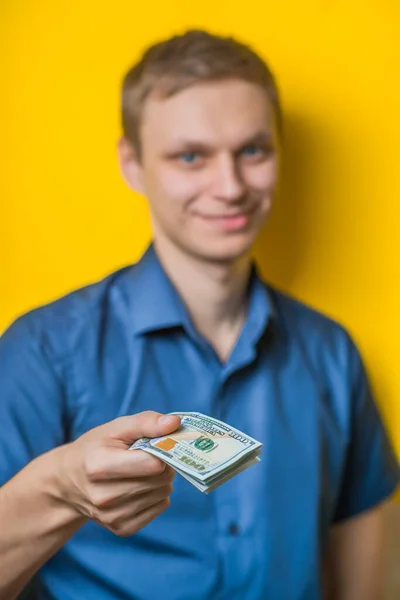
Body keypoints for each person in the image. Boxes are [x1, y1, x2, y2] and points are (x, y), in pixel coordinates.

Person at [0, 29, 398, 600]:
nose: (230, 186)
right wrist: (60, 491)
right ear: (132, 164)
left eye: (253, 151)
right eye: (191, 156)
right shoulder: (42, 352)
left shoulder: (332, 353)